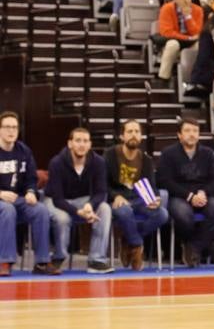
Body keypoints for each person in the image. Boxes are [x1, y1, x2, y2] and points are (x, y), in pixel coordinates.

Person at [156, 118, 214, 266]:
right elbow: (164, 181)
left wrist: (203, 192)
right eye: (187, 131)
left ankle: (194, 247)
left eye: (195, 131)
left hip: (202, 195)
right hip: (179, 196)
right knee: (183, 215)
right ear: (179, 135)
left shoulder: (208, 154)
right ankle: (191, 245)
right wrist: (189, 196)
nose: (192, 134)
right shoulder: (168, 154)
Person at [45, 127, 114, 274]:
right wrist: (78, 212)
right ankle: (59, 257)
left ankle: (97, 260)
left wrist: (90, 205)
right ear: (70, 144)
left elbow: (101, 192)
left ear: (90, 145)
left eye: (85, 141)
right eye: (77, 141)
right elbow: (58, 199)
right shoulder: (56, 163)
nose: (81, 145)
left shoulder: (98, 162)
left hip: (83, 201)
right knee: (62, 218)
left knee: (105, 208)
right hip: (55, 200)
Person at [104, 119, 168, 271]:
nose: (133, 135)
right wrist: (114, 196)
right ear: (122, 136)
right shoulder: (110, 155)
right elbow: (102, 183)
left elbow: (152, 186)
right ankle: (137, 245)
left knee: (162, 214)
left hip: (138, 199)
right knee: (125, 212)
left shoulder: (145, 159)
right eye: (130, 132)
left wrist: (156, 198)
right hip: (117, 199)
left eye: (137, 132)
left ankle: (129, 239)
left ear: (141, 136)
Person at [0, 112, 52, 276]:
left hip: (19, 200)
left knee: (41, 210)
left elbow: (31, 178)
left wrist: (31, 192)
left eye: (14, 127)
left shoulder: (24, 151)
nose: (11, 131)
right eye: (7, 127)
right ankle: (5, 261)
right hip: (2, 201)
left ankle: (42, 262)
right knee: (7, 210)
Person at [155, 0, 204, 81]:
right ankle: (163, 77)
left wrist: (188, 17)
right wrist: (187, 38)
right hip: (173, 40)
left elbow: (197, 32)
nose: (186, 1)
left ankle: (192, 79)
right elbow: (166, 32)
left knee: (200, 46)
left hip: (190, 43)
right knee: (173, 44)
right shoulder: (167, 8)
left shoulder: (198, 10)